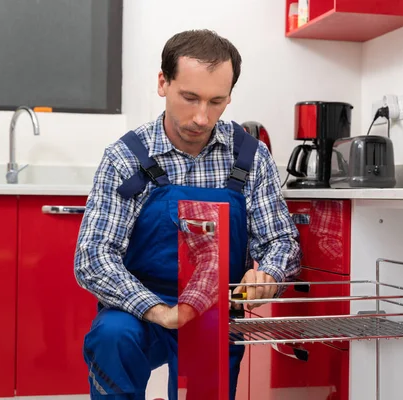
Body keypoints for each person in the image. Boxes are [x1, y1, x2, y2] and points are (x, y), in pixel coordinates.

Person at [74, 29, 302, 400]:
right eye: (190, 97)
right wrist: (159, 311)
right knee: (112, 336)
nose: (201, 117)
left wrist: (268, 276)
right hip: (140, 309)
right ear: (163, 83)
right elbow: (93, 257)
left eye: (216, 101)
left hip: (215, 313)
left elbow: (281, 242)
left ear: (230, 97)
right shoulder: (125, 157)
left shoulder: (251, 156)